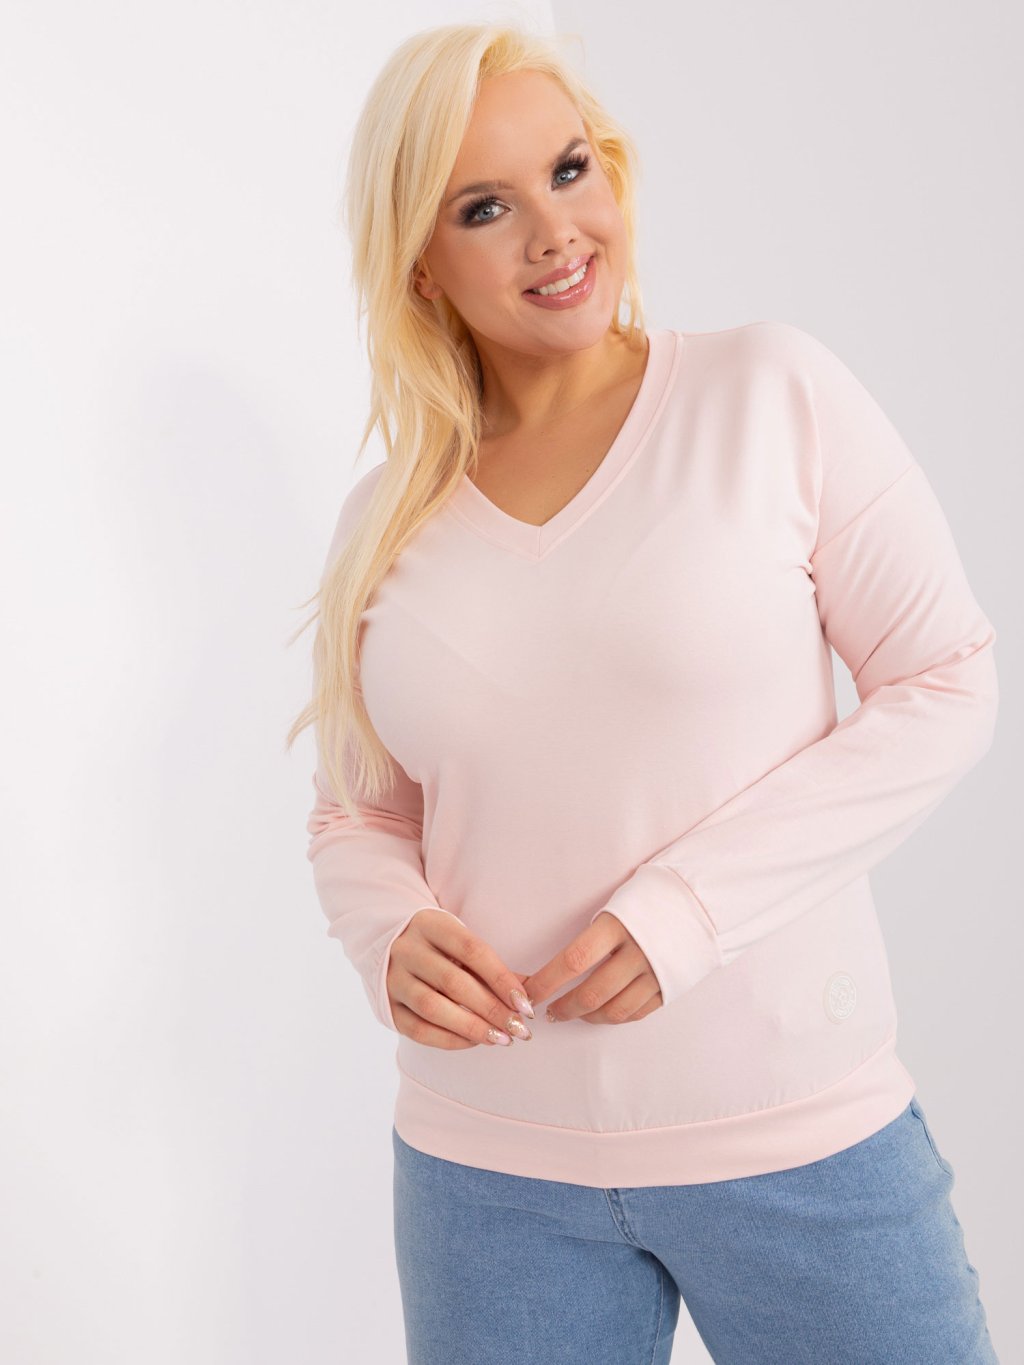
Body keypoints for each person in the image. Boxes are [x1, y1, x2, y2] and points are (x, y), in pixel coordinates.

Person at [287, 21, 1001, 1364]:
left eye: (569, 171)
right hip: (484, 1174)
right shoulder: (387, 518)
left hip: (796, 1145)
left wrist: (689, 911)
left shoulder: (767, 392)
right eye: (485, 207)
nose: (554, 232)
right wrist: (387, 931)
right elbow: (359, 813)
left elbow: (945, 678)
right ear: (420, 263)